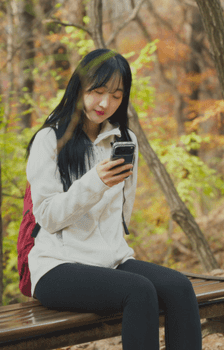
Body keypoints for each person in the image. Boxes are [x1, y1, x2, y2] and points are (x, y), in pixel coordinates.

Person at [25, 49, 202, 350]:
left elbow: (123, 211)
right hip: (57, 267)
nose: (105, 103)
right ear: (79, 87)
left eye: (117, 95)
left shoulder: (124, 140)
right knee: (138, 291)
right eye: (98, 91)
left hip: (110, 262)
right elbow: (47, 216)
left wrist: (113, 246)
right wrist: (95, 182)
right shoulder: (49, 140)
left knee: (180, 287)